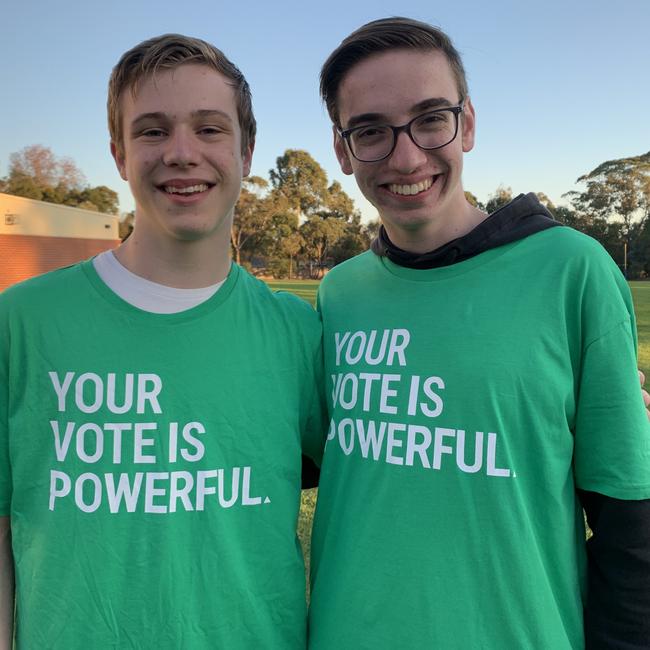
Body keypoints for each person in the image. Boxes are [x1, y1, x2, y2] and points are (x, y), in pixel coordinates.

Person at [308, 17, 650, 649]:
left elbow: (631, 526)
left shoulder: (572, 270)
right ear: (342, 148)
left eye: (430, 118)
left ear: (466, 123)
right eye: (371, 131)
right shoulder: (340, 293)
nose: (406, 157)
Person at [0, 34, 325, 649]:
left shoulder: (295, 333)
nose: (181, 153)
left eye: (209, 129)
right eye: (151, 131)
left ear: (246, 150)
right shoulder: (20, 324)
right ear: (119, 154)